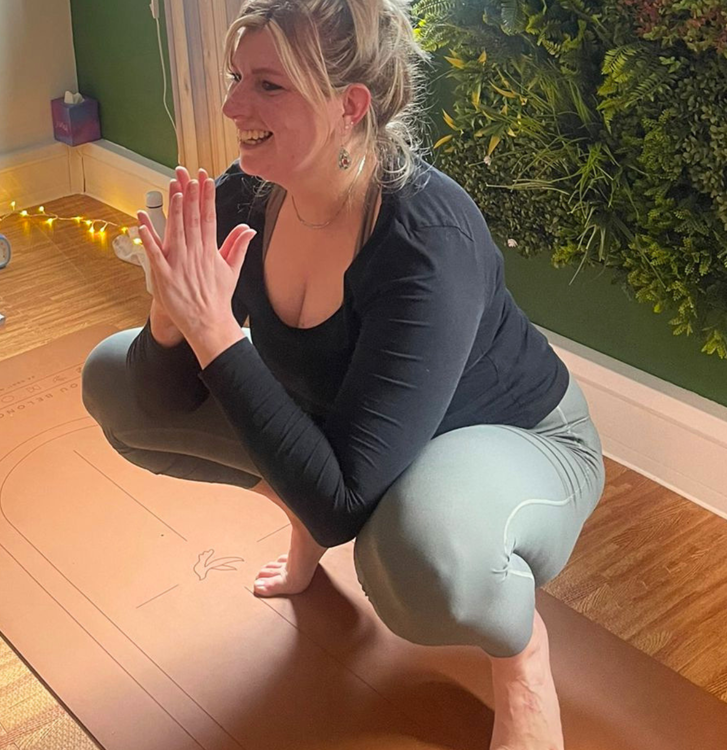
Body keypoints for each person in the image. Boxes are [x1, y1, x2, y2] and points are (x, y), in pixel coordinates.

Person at [81, 1, 606, 747]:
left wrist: (216, 334)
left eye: (267, 85)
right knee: (114, 378)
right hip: (361, 437)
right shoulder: (247, 196)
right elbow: (160, 401)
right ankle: (303, 507)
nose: (233, 105)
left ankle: (521, 656)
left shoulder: (426, 241)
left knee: (412, 553)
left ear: (349, 105)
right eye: (237, 77)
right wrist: (173, 318)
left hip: (517, 438)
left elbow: (347, 503)